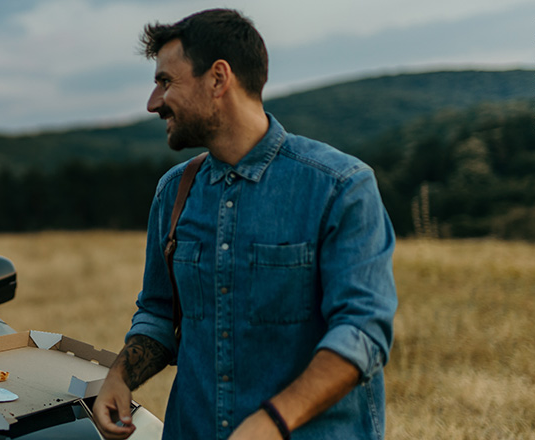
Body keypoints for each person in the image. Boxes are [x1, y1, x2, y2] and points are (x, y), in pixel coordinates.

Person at [92, 9, 397, 440]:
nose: (153, 102)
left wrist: (273, 422)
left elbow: (363, 332)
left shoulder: (340, 187)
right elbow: (159, 313)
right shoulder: (173, 193)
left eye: (165, 82)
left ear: (218, 79)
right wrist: (119, 378)